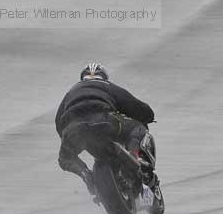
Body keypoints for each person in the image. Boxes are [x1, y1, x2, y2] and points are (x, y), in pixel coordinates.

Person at [55, 61, 162, 202]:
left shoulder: (71, 92)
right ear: (104, 76)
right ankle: (135, 156)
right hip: (103, 121)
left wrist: (69, 138)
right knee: (137, 128)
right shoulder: (106, 86)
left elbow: (58, 122)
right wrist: (148, 116)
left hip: (73, 129)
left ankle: (85, 173)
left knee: (66, 158)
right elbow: (134, 105)